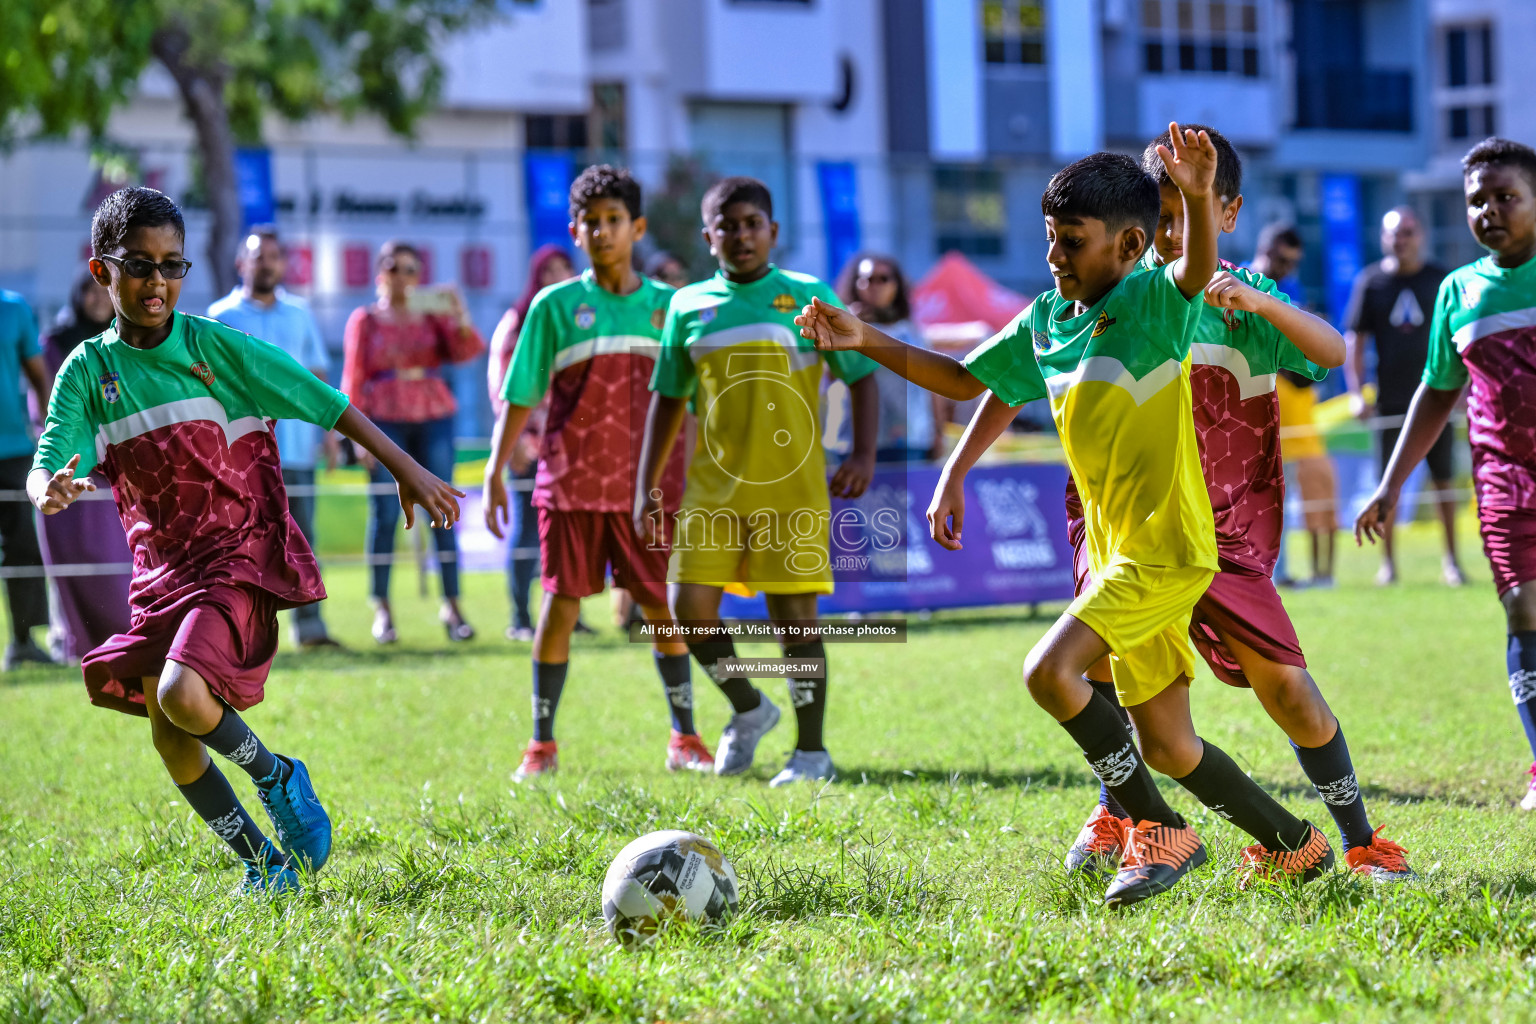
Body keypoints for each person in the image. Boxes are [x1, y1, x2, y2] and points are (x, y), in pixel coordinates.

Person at [801, 130, 1341, 908]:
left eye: (1072, 242)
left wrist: (1194, 193)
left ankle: (1159, 829)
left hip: (1165, 549)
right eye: (1050, 239)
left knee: (1048, 673)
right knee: (1168, 743)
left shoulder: (1156, 302)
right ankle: (1296, 845)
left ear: (1129, 244)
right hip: (1115, 550)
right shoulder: (1050, 318)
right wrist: (867, 338)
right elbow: (960, 381)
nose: (1055, 256)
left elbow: (1192, 267)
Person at [953, 125, 1409, 883]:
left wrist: (1263, 308)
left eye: (1182, 216)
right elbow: (1012, 376)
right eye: (1158, 217)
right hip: (1126, 523)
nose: (1168, 234)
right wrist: (955, 470)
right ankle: (1127, 813)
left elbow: (1329, 352)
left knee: (1288, 689)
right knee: (1101, 674)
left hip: (1221, 535)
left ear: (1223, 212)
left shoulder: (1237, 299)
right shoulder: (1103, 300)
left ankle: (1359, 839)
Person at [29, 186, 465, 894]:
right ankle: (264, 867)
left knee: (181, 694)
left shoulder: (216, 348)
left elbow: (323, 399)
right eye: (138, 265)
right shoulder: (87, 370)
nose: (158, 282)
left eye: (173, 265)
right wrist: (44, 486)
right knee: (172, 742)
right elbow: (52, 452)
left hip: (236, 554)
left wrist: (407, 468)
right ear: (101, 270)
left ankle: (277, 775)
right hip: (159, 571)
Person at [635, 176, 879, 786]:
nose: (741, 235)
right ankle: (750, 707)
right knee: (685, 610)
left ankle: (812, 753)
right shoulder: (687, 307)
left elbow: (861, 375)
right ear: (708, 237)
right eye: (728, 226)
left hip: (790, 488)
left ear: (773, 231)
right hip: (709, 489)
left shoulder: (808, 296)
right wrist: (645, 489)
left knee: (793, 621)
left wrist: (863, 455)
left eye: (752, 224)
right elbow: (667, 401)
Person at [483, 165, 708, 779]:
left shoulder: (672, 308)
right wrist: (496, 471)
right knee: (560, 605)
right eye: (592, 222)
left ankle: (685, 736)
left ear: (636, 227)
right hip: (572, 485)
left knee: (660, 605)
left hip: (652, 495)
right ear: (575, 232)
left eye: (615, 221)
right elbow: (521, 392)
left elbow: (698, 401)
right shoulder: (555, 306)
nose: (604, 231)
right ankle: (541, 744)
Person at [1357, 137, 1536, 813]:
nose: (1490, 210)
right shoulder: (1458, 292)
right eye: (1477, 200)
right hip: (1503, 478)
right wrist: (1390, 484)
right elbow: (1435, 394)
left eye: (1506, 197)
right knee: (1522, 609)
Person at [341, 240, 486, 644]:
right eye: (392, 267)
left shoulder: (432, 316)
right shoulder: (365, 319)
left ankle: (453, 605)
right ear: (380, 273)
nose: (400, 275)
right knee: (385, 516)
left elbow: (469, 350)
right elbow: (352, 377)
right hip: (383, 422)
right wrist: (357, 438)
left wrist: (458, 311)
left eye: (409, 268)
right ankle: (383, 609)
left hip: (435, 415)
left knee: (444, 510)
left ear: (418, 276)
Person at [209, 227, 342, 648]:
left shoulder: (300, 314)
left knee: (302, 537)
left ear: (282, 264)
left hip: (297, 450)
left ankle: (311, 627)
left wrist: (332, 436)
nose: (264, 262)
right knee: (242, 543)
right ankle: (244, 633)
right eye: (256, 255)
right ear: (240, 263)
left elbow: (317, 375)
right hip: (240, 457)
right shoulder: (219, 317)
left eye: (272, 256)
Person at [1344, 207, 1463, 587]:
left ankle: (1452, 562)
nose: (1402, 240)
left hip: (1439, 399)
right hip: (1390, 404)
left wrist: (1465, 390)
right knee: (1386, 485)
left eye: (1409, 232)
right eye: (1395, 233)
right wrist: (1356, 394)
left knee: (1444, 483)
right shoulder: (1371, 282)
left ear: (1422, 235)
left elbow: (1464, 336)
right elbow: (1355, 342)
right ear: (1384, 238)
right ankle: (1389, 565)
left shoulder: (1441, 279)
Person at [33, 274, 132, 663]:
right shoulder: (56, 343)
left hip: (112, 472)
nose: (96, 299)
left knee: (117, 564)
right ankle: (74, 642)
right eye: (88, 291)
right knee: (71, 563)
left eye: (102, 292)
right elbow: (46, 410)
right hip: (65, 470)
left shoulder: (121, 345)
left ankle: (126, 639)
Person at [488, 245, 577, 642]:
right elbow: (501, 384)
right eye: (548, 270)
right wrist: (517, 439)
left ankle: (566, 609)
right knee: (527, 531)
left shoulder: (580, 318)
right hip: (527, 443)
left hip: (572, 443)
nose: (557, 276)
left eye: (564, 269)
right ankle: (521, 616)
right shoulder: (519, 319)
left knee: (569, 531)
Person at [1253, 224, 1337, 586]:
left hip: (1296, 417)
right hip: (1252, 416)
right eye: (1284, 260)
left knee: (1298, 501)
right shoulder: (1239, 282)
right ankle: (1269, 573)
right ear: (1269, 250)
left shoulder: (1291, 290)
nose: (1288, 268)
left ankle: (1296, 574)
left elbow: (1305, 361)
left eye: (1294, 262)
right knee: (1262, 504)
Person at [835, 253, 944, 463]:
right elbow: (829, 374)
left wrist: (938, 431)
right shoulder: (842, 327)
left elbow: (933, 383)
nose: (874, 286)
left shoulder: (912, 332)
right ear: (855, 284)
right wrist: (846, 324)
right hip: (853, 440)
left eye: (883, 279)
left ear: (897, 285)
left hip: (909, 439)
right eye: (867, 279)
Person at [0, 288, 54, 669]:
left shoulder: (15, 307)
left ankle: (23, 641)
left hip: (14, 448)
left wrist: (50, 434)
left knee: (22, 549)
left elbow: (38, 375)